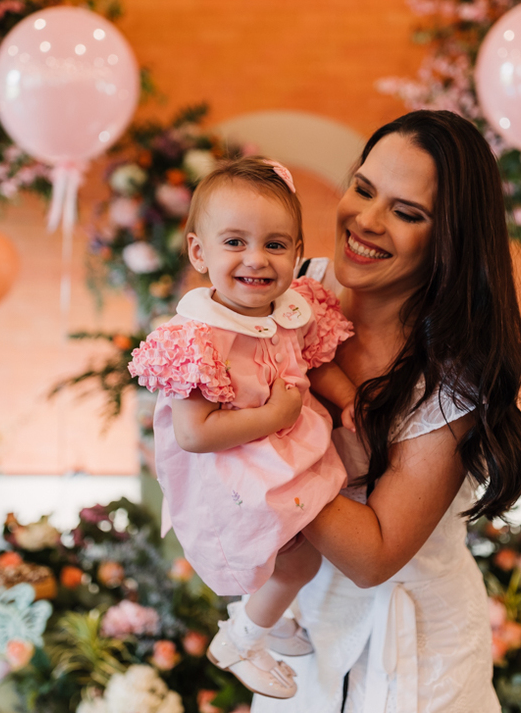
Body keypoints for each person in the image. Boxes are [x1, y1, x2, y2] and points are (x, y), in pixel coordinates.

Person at [253, 110, 521, 713]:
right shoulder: (293, 292)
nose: (366, 220)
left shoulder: (452, 376)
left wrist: (256, 451)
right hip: (302, 635)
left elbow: (373, 555)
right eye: (363, 189)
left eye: (407, 213)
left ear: (449, 241)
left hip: (417, 661)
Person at [129, 156, 358, 699]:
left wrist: (352, 399)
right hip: (232, 471)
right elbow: (193, 434)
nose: (256, 259)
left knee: (287, 556)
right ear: (198, 252)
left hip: (283, 455)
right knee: (299, 561)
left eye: (275, 245)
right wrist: (274, 416)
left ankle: (267, 621)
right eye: (235, 242)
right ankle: (240, 639)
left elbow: (314, 362)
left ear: (298, 253)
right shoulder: (197, 338)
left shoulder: (290, 311)